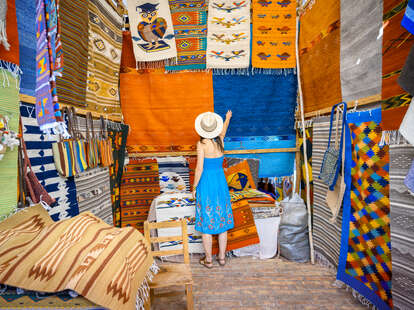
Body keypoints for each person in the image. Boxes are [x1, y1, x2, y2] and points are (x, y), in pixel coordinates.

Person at [192, 110, 234, 268]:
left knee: (206, 221)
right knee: (222, 220)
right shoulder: (220, 141)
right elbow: (223, 131)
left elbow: (199, 168)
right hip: (220, 183)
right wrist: (227, 118)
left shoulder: (201, 144)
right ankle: (222, 258)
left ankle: (208, 260)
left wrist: (194, 187)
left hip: (207, 183)